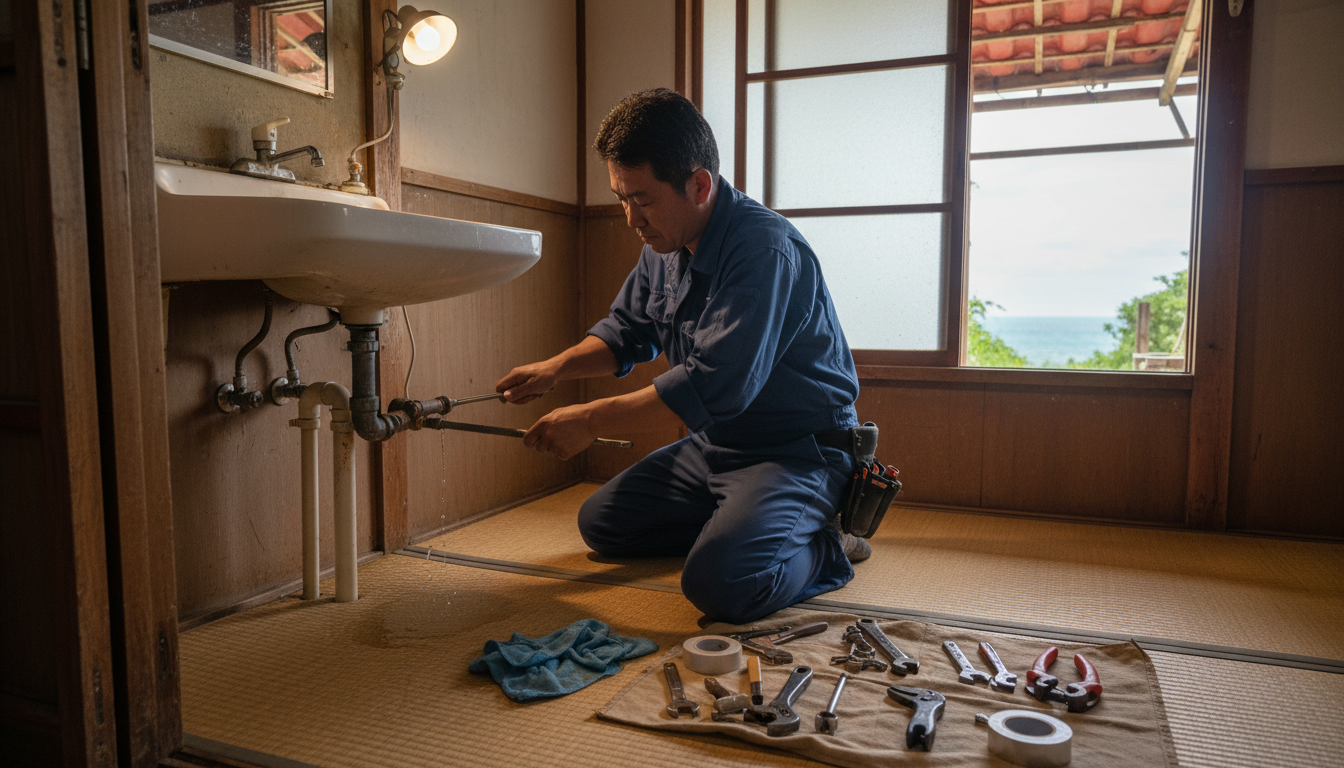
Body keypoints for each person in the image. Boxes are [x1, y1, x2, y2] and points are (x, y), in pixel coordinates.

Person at [495, 88, 866, 625]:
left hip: (795, 451)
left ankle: (830, 542)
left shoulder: (763, 249)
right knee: (603, 525)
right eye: (621, 198)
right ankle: (746, 525)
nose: (629, 218)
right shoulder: (663, 246)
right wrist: (558, 367)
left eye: (641, 200)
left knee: (723, 584)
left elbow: (713, 386)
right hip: (715, 447)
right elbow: (626, 333)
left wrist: (592, 419)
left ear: (698, 185)